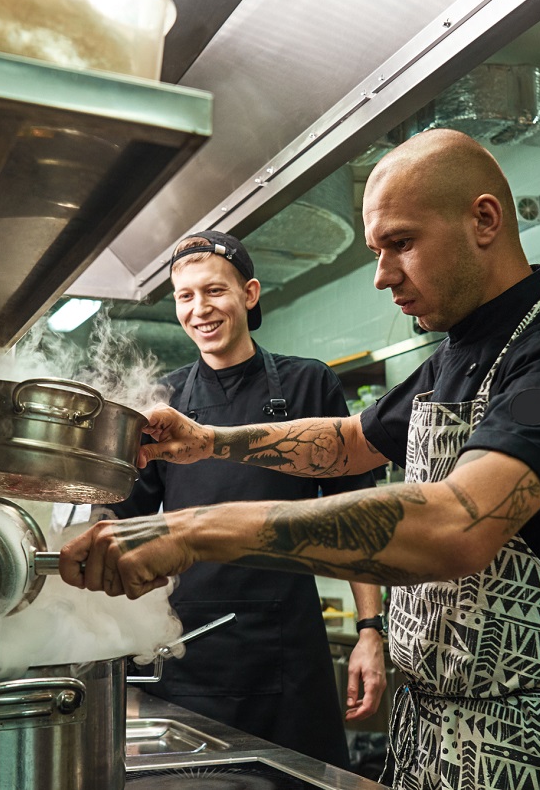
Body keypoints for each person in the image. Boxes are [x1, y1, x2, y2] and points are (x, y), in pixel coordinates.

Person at [59, 129, 540, 790]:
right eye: (377, 251)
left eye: (401, 243)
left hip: (534, 749)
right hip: (432, 736)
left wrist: (195, 531)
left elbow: (458, 524)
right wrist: (209, 442)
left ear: (484, 220)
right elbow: (347, 442)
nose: (382, 274)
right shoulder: (456, 358)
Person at [95, 229, 386, 768]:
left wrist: (371, 631)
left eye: (214, 291)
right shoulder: (162, 401)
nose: (199, 309)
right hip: (186, 647)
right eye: (185, 296)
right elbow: (119, 523)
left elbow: (357, 514)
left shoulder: (308, 384)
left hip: (288, 649)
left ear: (249, 294)